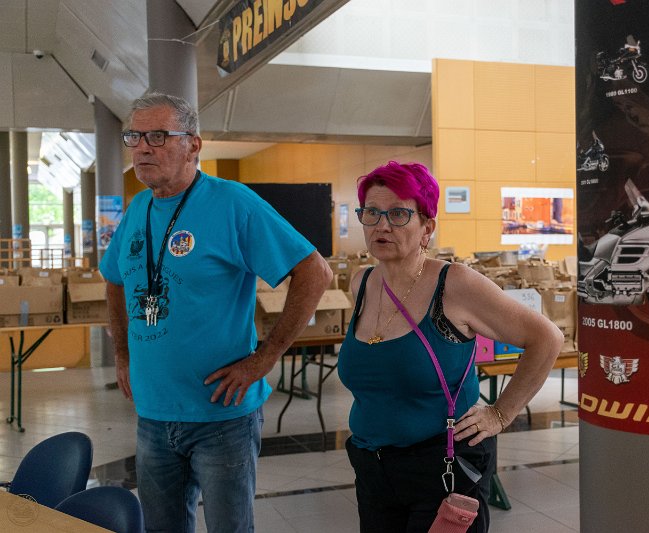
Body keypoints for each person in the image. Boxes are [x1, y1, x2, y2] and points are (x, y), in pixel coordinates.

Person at [100, 92, 332, 532]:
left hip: (221, 417)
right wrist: (123, 354)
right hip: (153, 414)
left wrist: (264, 358)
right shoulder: (137, 209)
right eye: (135, 137)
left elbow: (314, 272)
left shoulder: (233, 203)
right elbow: (114, 278)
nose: (142, 147)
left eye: (157, 136)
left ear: (193, 144)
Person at [338, 161, 563, 532]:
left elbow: (546, 338)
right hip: (372, 469)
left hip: (441, 469)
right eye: (372, 213)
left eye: (398, 214)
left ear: (427, 227)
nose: (382, 225)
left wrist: (500, 414)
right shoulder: (361, 283)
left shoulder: (454, 284)